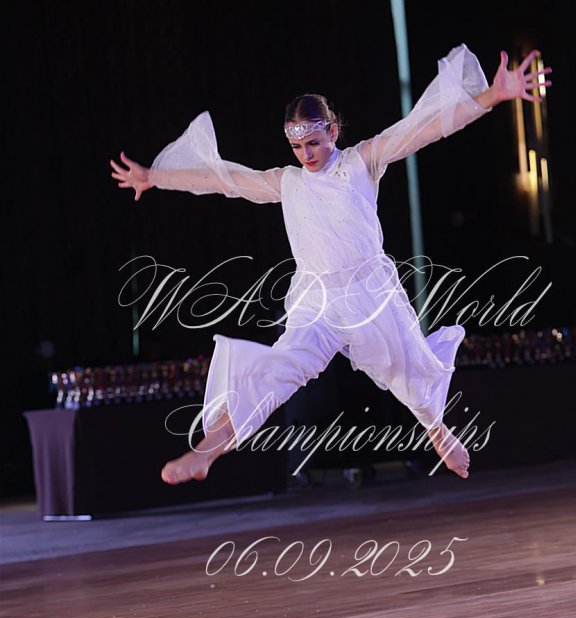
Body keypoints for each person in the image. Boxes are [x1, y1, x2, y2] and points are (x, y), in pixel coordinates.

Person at [111, 45, 551, 484]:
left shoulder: (362, 160)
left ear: (333, 131)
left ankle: (438, 431)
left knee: (409, 371)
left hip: (370, 295)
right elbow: (221, 179)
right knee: (277, 371)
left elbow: (424, 129)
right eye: (297, 146)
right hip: (315, 301)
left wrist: (493, 95)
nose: (306, 154)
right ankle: (206, 451)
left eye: (313, 143)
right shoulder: (287, 182)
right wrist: (154, 177)